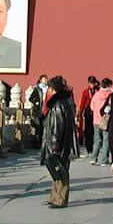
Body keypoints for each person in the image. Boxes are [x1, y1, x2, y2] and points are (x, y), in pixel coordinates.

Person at [41, 76, 75, 208]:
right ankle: (54, 197)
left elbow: (57, 127)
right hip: (60, 143)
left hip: (59, 145)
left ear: (53, 89)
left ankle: (60, 199)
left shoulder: (57, 105)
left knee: (62, 173)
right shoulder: (64, 101)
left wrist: (54, 146)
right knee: (56, 172)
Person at [89, 77, 113, 165]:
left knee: (97, 139)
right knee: (106, 139)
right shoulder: (110, 94)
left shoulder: (96, 94)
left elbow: (91, 106)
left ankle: (93, 158)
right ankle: (104, 160)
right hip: (106, 120)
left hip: (96, 120)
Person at [77, 76, 99, 154]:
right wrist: (80, 113)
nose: (92, 85)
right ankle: (88, 147)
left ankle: (95, 146)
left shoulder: (97, 90)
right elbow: (83, 103)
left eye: (93, 83)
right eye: (90, 83)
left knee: (95, 130)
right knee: (88, 130)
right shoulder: (86, 91)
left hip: (96, 113)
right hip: (88, 113)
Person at [28, 74, 49, 146]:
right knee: (38, 126)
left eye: (46, 79)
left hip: (46, 109)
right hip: (38, 110)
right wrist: (36, 102)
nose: (46, 80)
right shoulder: (37, 89)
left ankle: (43, 142)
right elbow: (30, 98)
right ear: (40, 80)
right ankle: (37, 142)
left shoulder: (48, 88)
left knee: (44, 126)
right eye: (44, 79)